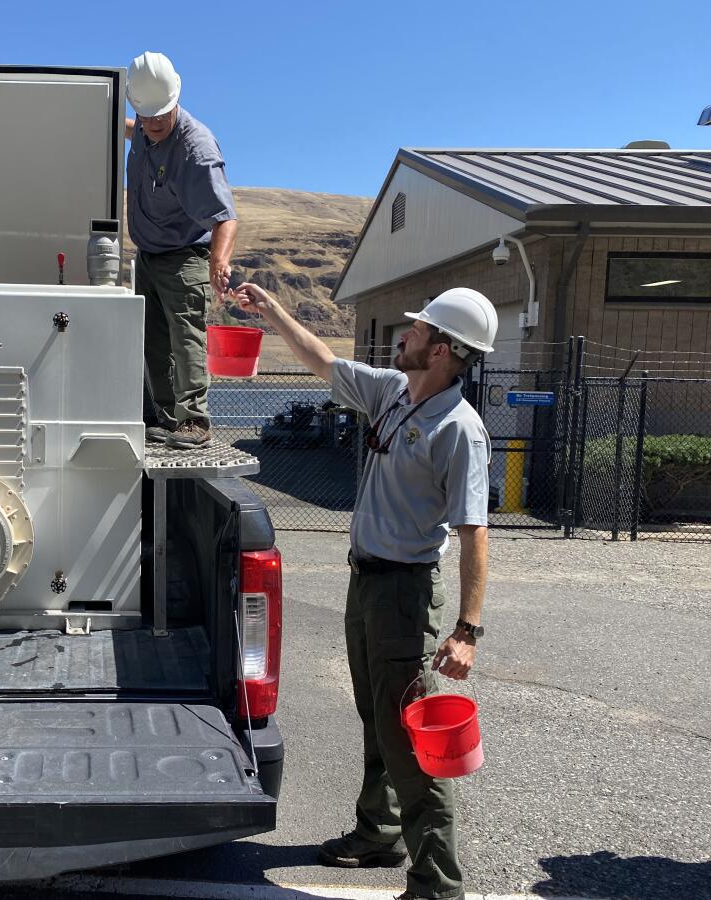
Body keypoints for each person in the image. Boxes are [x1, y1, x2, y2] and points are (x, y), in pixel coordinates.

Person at [234, 282, 497, 900]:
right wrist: (271, 312)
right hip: (368, 583)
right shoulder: (392, 391)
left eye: (418, 330)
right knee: (375, 717)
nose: (405, 334)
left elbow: (474, 533)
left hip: (406, 593)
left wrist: (466, 630)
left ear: (442, 350)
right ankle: (380, 832)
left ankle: (438, 883)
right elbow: (323, 362)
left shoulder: (460, 430)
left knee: (410, 731)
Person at [124, 51, 237, 450]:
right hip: (148, 255)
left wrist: (218, 262)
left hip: (186, 253)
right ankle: (167, 419)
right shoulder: (143, 124)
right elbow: (130, 128)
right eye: (145, 115)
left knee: (185, 336)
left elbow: (225, 217)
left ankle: (194, 422)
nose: (153, 124)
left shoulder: (197, 150)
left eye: (161, 115)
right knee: (151, 339)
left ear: (176, 99)